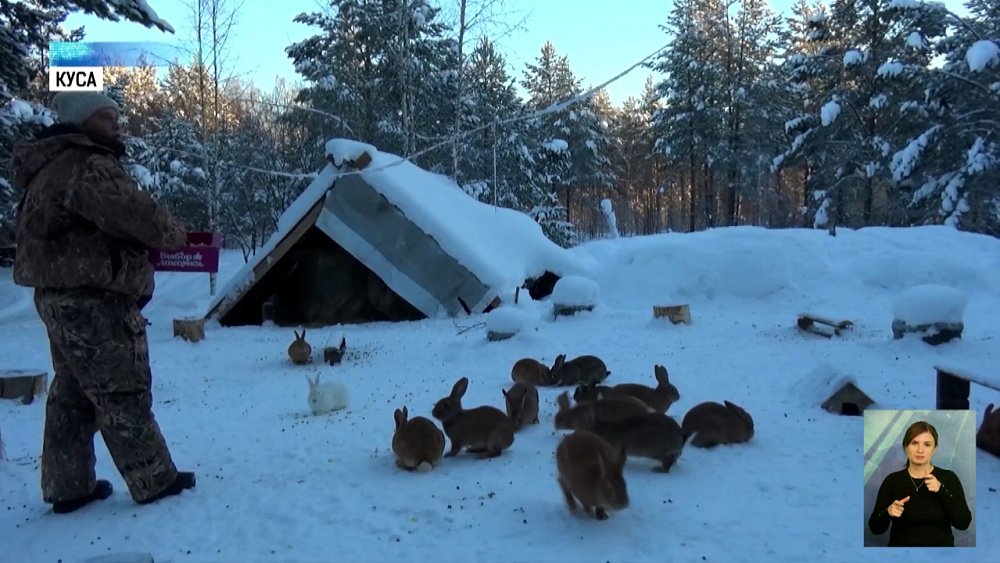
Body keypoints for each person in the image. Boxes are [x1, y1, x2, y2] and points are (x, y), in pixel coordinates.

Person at [12, 91, 196, 513]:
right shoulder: (87, 166)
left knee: (73, 391)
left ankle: (68, 486)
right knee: (121, 387)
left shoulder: (50, 165)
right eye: (106, 117)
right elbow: (141, 216)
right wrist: (175, 233)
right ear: (84, 121)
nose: (116, 124)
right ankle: (154, 480)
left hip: (57, 296)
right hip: (94, 297)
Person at [867, 420, 972, 547]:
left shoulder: (948, 478)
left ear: (935, 449)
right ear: (906, 447)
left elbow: (963, 523)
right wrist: (888, 511)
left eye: (927, 444)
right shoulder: (892, 481)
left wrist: (941, 490)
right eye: (914, 443)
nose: (920, 450)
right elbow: (875, 529)